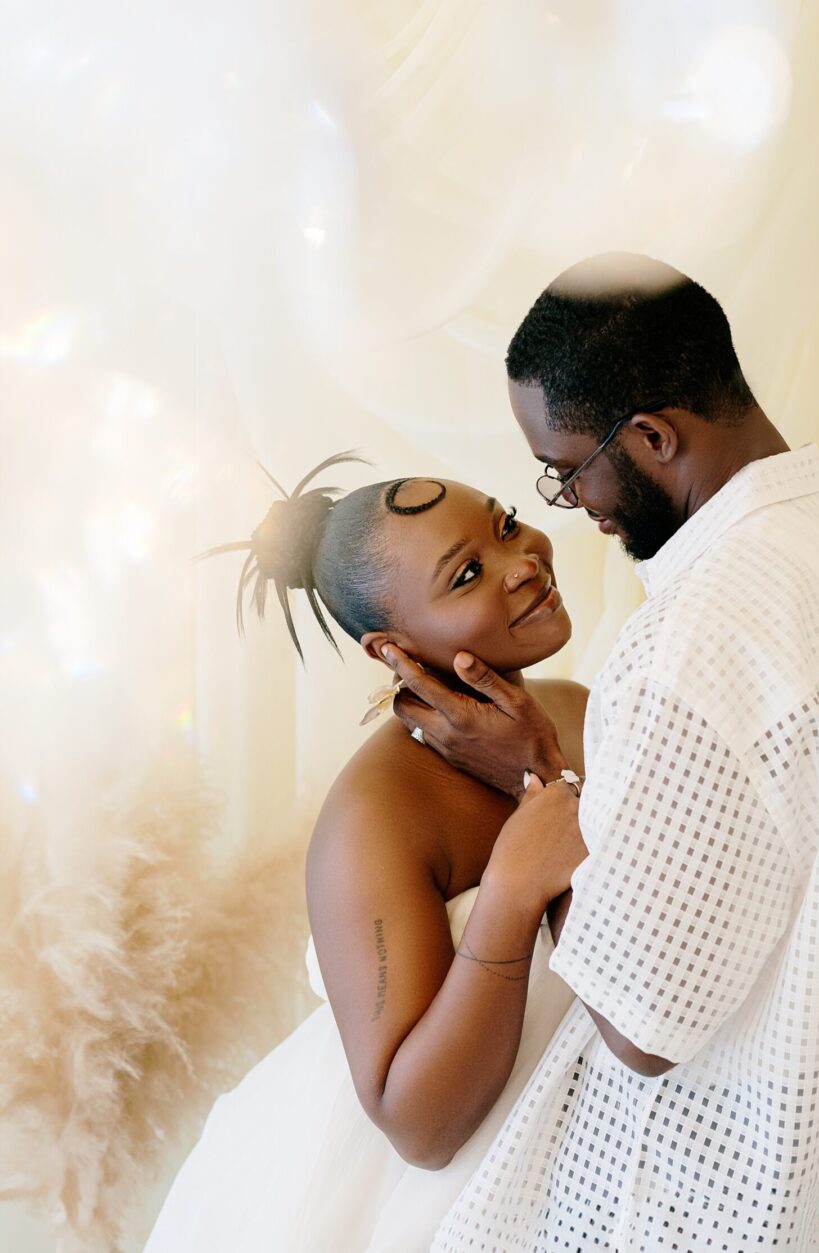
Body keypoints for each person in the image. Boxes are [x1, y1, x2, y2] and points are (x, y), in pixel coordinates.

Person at [383, 253, 819, 1251]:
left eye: (567, 469)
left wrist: (539, 781)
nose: (572, 503)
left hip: (699, 1209)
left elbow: (643, 1024)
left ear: (654, 436)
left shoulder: (693, 640)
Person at [143, 463, 589, 1252]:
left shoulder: (579, 711)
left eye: (507, 523)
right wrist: (513, 889)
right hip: (420, 1209)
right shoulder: (376, 815)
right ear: (394, 648)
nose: (524, 562)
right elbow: (418, 1124)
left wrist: (541, 772)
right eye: (467, 574)